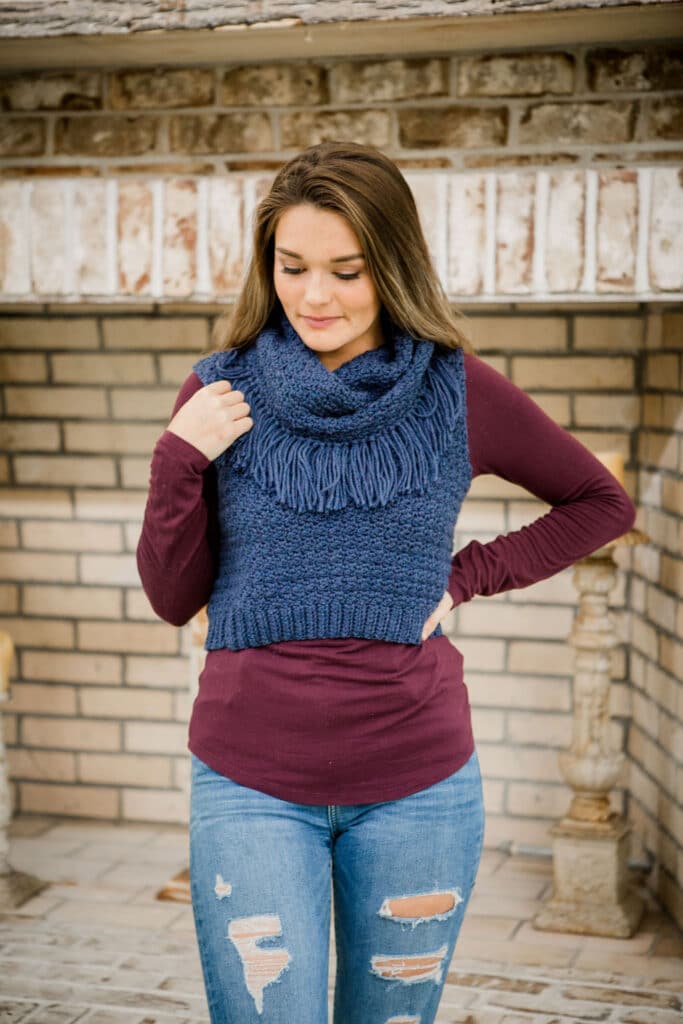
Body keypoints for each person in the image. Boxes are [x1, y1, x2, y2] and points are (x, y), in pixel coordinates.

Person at [136, 140, 636, 1024]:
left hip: (419, 790)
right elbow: (175, 598)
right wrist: (178, 459)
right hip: (250, 784)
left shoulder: (456, 391)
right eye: (291, 267)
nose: (314, 296)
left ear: (392, 267)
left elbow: (599, 501)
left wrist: (467, 574)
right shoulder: (219, 393)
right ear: (268, 265)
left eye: (346, 270)